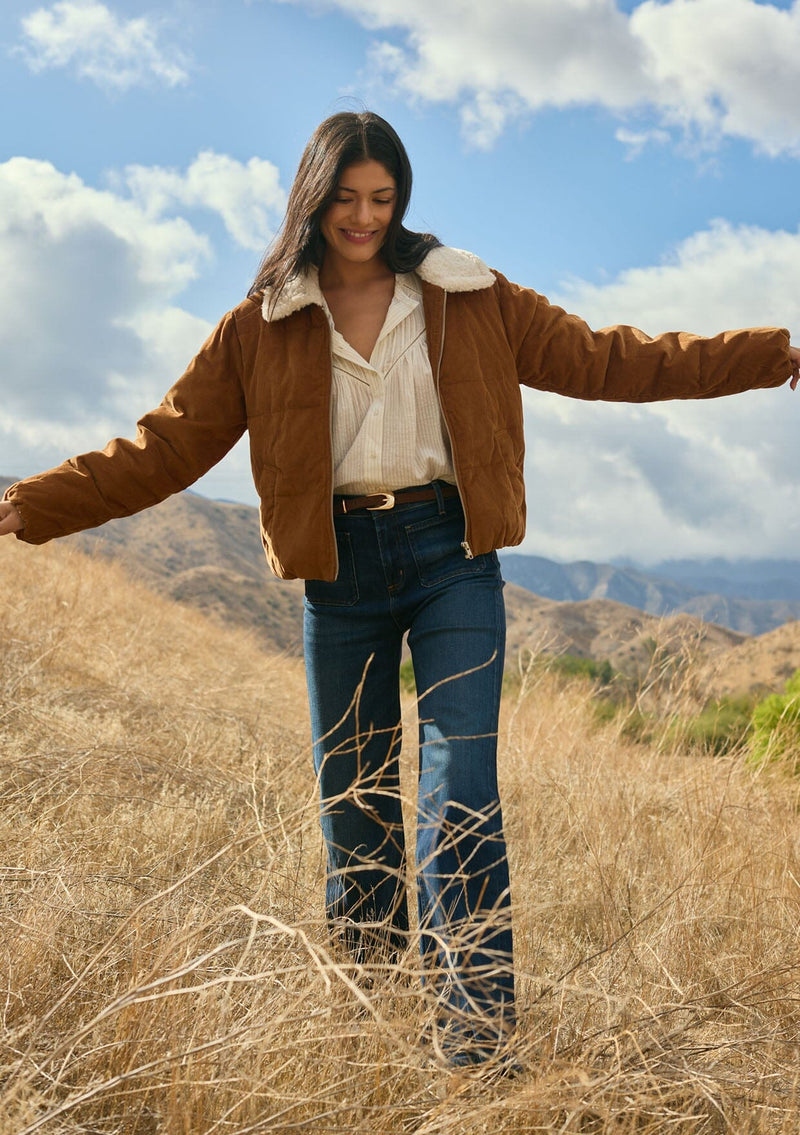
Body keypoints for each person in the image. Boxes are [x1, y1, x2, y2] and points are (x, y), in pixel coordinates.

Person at [2, 111, 799, 1069]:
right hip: (339, 570)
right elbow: (165, 447)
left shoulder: (471, 295)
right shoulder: (262, 324)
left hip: (451, 554)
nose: (364, 216)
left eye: (382, 198)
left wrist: (769, 355)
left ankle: (475, 1048)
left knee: (460, 787)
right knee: (356, 803)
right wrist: (29, 505)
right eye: (345, 198)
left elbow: (611, 358)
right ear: (313, 198)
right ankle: (372, 1028)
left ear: (402, 199)